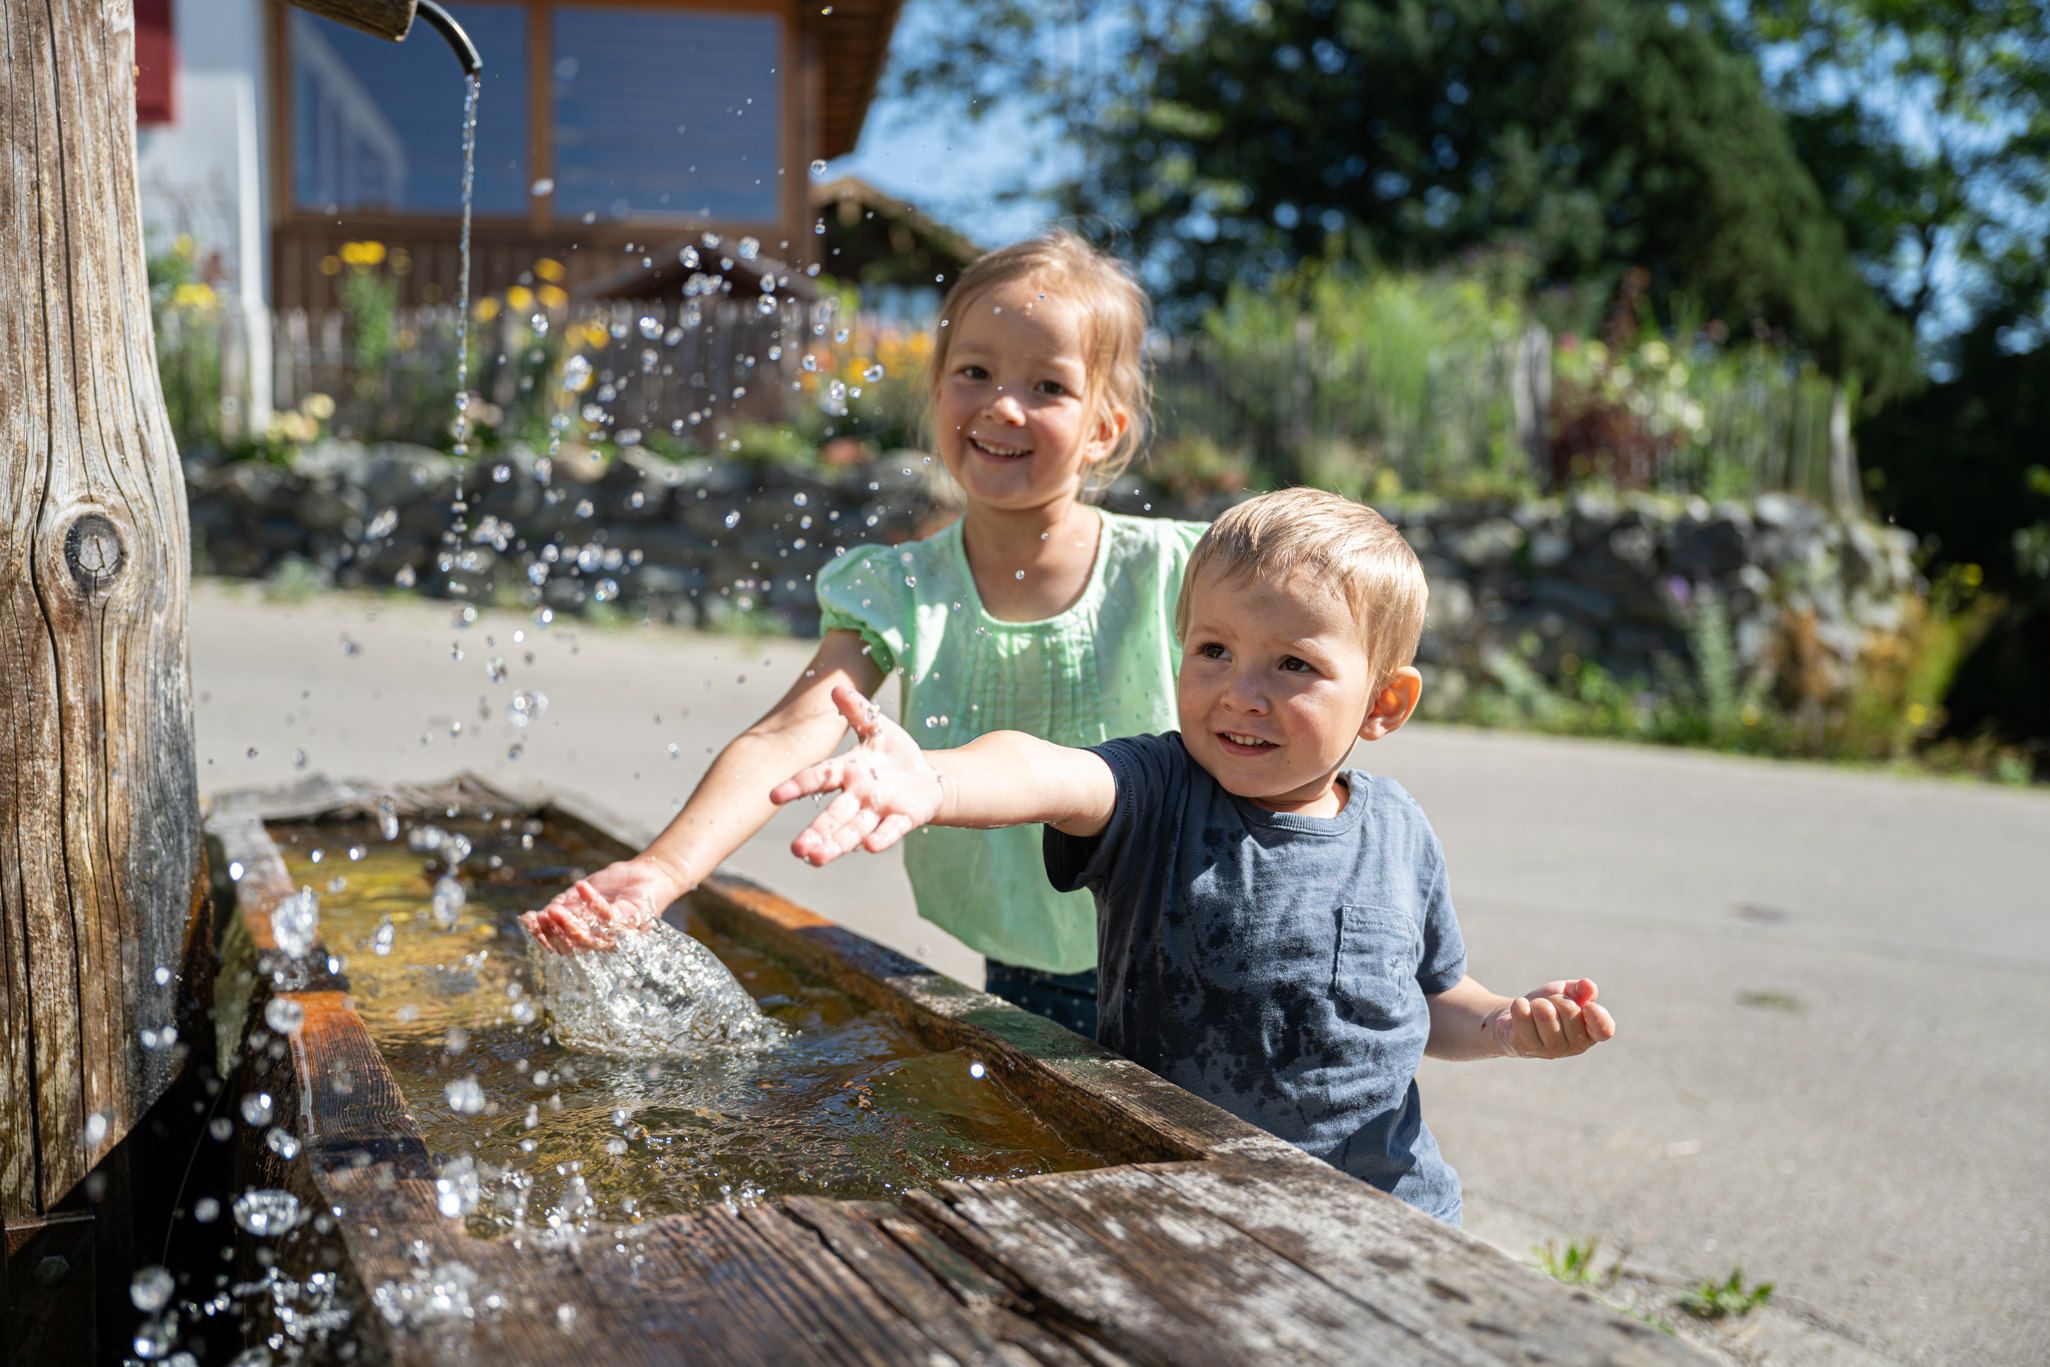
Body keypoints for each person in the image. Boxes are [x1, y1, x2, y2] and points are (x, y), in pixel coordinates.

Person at [767, 488, 1617, 1223]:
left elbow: (1429, 1001)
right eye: (1214, 650)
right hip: (1182, 1205)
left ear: (1383, 702)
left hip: (1392, 1212)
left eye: (1293, 664)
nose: (1240, 692)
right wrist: (936, 781)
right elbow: (1046, 768)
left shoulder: (1398, 830)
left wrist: (1506, 1024)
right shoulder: (1161, 790)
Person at [522, 230, 1206, 1037]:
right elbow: (786, 735)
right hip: (1025, 966)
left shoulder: (1176, 573)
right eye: (974, 372)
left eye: (1048, 385)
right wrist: (662, 869)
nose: (1001, 405)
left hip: (1189, 949)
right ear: (938, 389)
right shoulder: (904, 589)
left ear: (1103, 429)